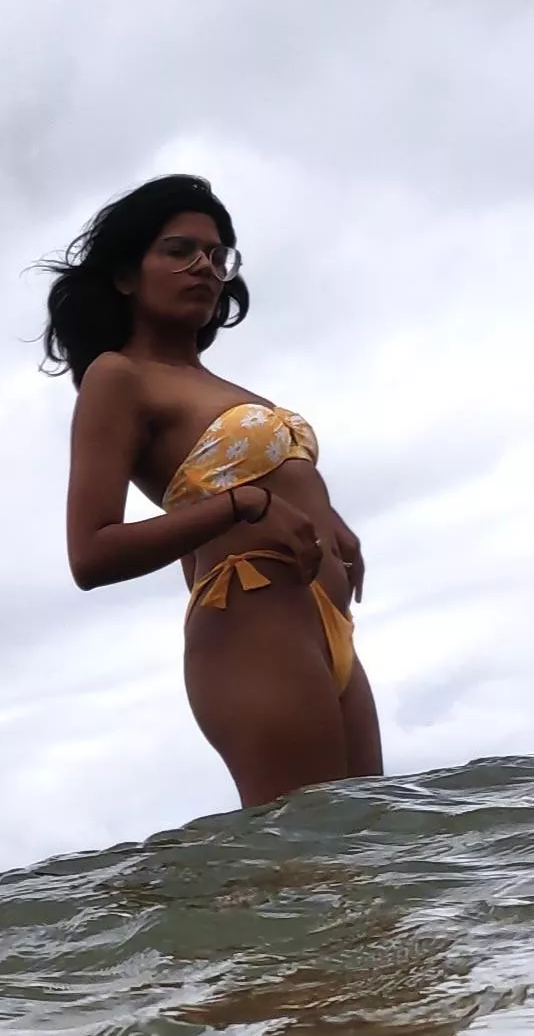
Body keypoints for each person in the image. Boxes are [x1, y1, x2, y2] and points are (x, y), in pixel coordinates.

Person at [42, 174, 382, 807]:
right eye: (179, 250)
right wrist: (242, 505)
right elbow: (90, 554)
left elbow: (267, 476)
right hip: (250, 621)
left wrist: (326, 516)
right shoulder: (117, 378)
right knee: (309, 864)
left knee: (367, 858)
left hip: (327, 623)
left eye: (217, 254)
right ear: (124, 275)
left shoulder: (222, 385)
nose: (205, 265)